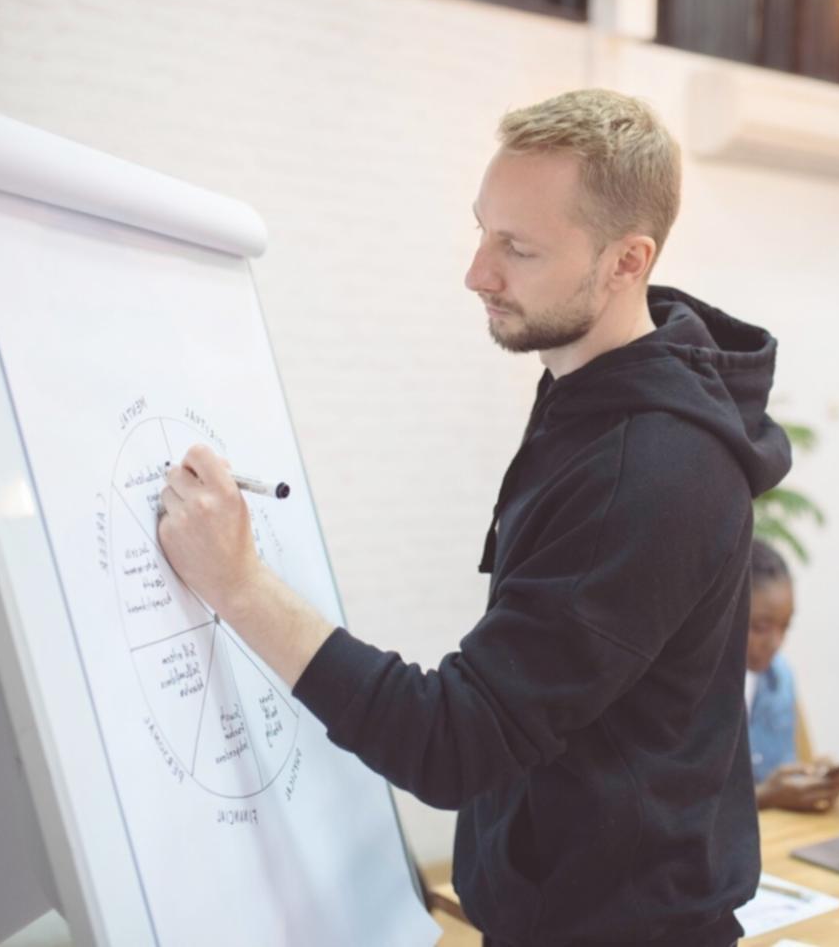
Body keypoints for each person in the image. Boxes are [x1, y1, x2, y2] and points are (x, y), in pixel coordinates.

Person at [157, 89, 791, 947]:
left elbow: (457, 739)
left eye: (516, 247)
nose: (476, 272)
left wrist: (237, 585)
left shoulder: (649, 471)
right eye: (482, 230)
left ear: (625, 261)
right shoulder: (589, 399)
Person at [744, 539, 839, 812]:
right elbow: (684, 808)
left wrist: (812, 782)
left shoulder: (779, 677)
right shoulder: (695, 690)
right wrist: (765, 796)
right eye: (761, 627)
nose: (776, 642)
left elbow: (781, 771)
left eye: (785, 627)